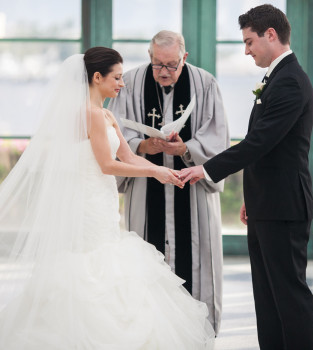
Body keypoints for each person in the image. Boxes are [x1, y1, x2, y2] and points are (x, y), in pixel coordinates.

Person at [0, 47, 215, 349]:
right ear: (97, 77)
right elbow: (108, 165)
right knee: (92, 266)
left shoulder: (106, 114)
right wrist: (155, 175)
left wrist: (165, 172)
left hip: (101, 201)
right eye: (116, 77)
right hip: (88, 204)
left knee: (105, 262)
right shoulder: (90, 115)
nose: (121, 84)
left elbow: (127, 154)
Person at [180, 5, 313, 350]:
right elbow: (270, 151)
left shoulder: (289, 81)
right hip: (267, 204)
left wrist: (206, 168)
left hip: (284, 208)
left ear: (270, 35)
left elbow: (259, 143)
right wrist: (251, 197)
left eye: (249, 42)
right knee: (268, 297)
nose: (246, 51)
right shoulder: (277, 77)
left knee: (289, 296)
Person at [108, 30, 229, 334]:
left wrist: (186, 148)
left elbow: (217, 137)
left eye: (171, 65)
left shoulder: (205, 83)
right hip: (146, 186)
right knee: (145, 265)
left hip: (192, 190)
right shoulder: (131, 83)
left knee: (196, 263)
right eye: (157, 64)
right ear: (150, 57)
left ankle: (198, 334)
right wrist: (142, 146)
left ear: (184, 57)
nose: (163, 72)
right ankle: (147, 334)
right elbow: (115, 132)